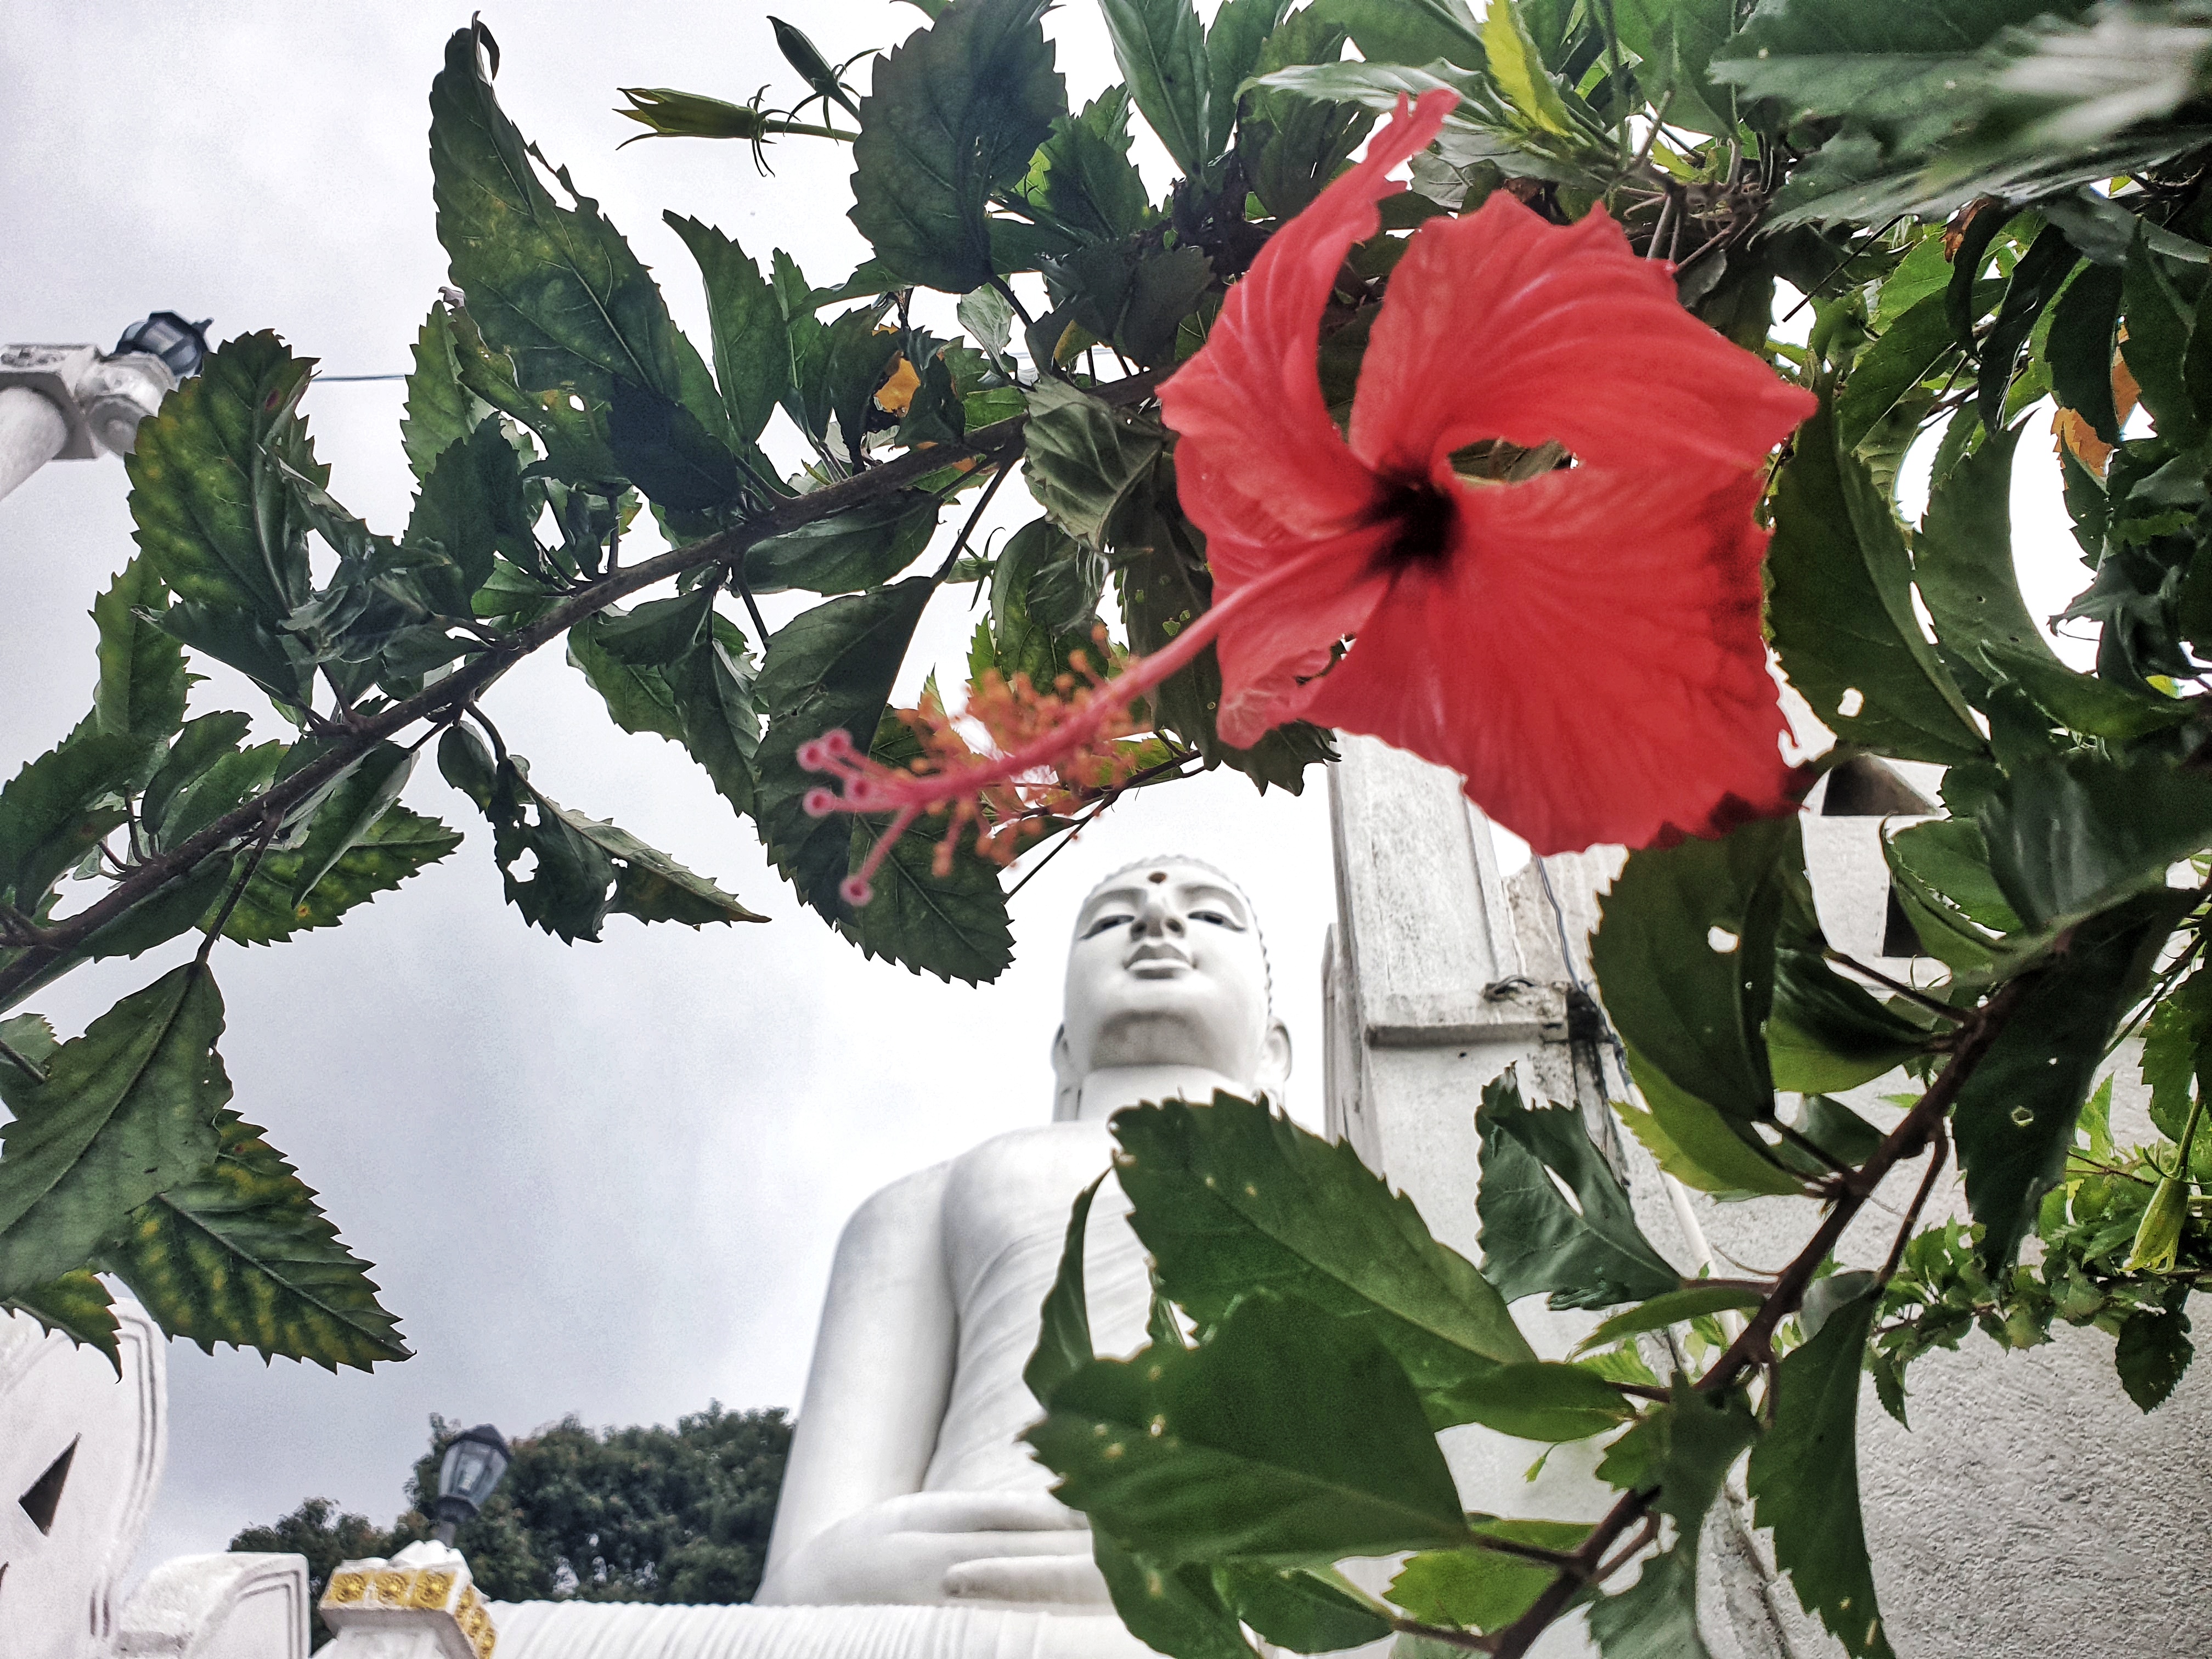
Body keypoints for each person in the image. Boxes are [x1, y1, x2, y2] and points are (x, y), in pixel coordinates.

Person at [757, 857, 1291, 1610]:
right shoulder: (927, 1201)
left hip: (1261, 1583)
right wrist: (869, 1571)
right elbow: (802, 1577)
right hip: (952, 1585)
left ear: (1274, 1051)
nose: (1157, 923)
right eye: (1109, 920)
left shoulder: (1344, 1203)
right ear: (1065, 1051)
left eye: (1209, 914)